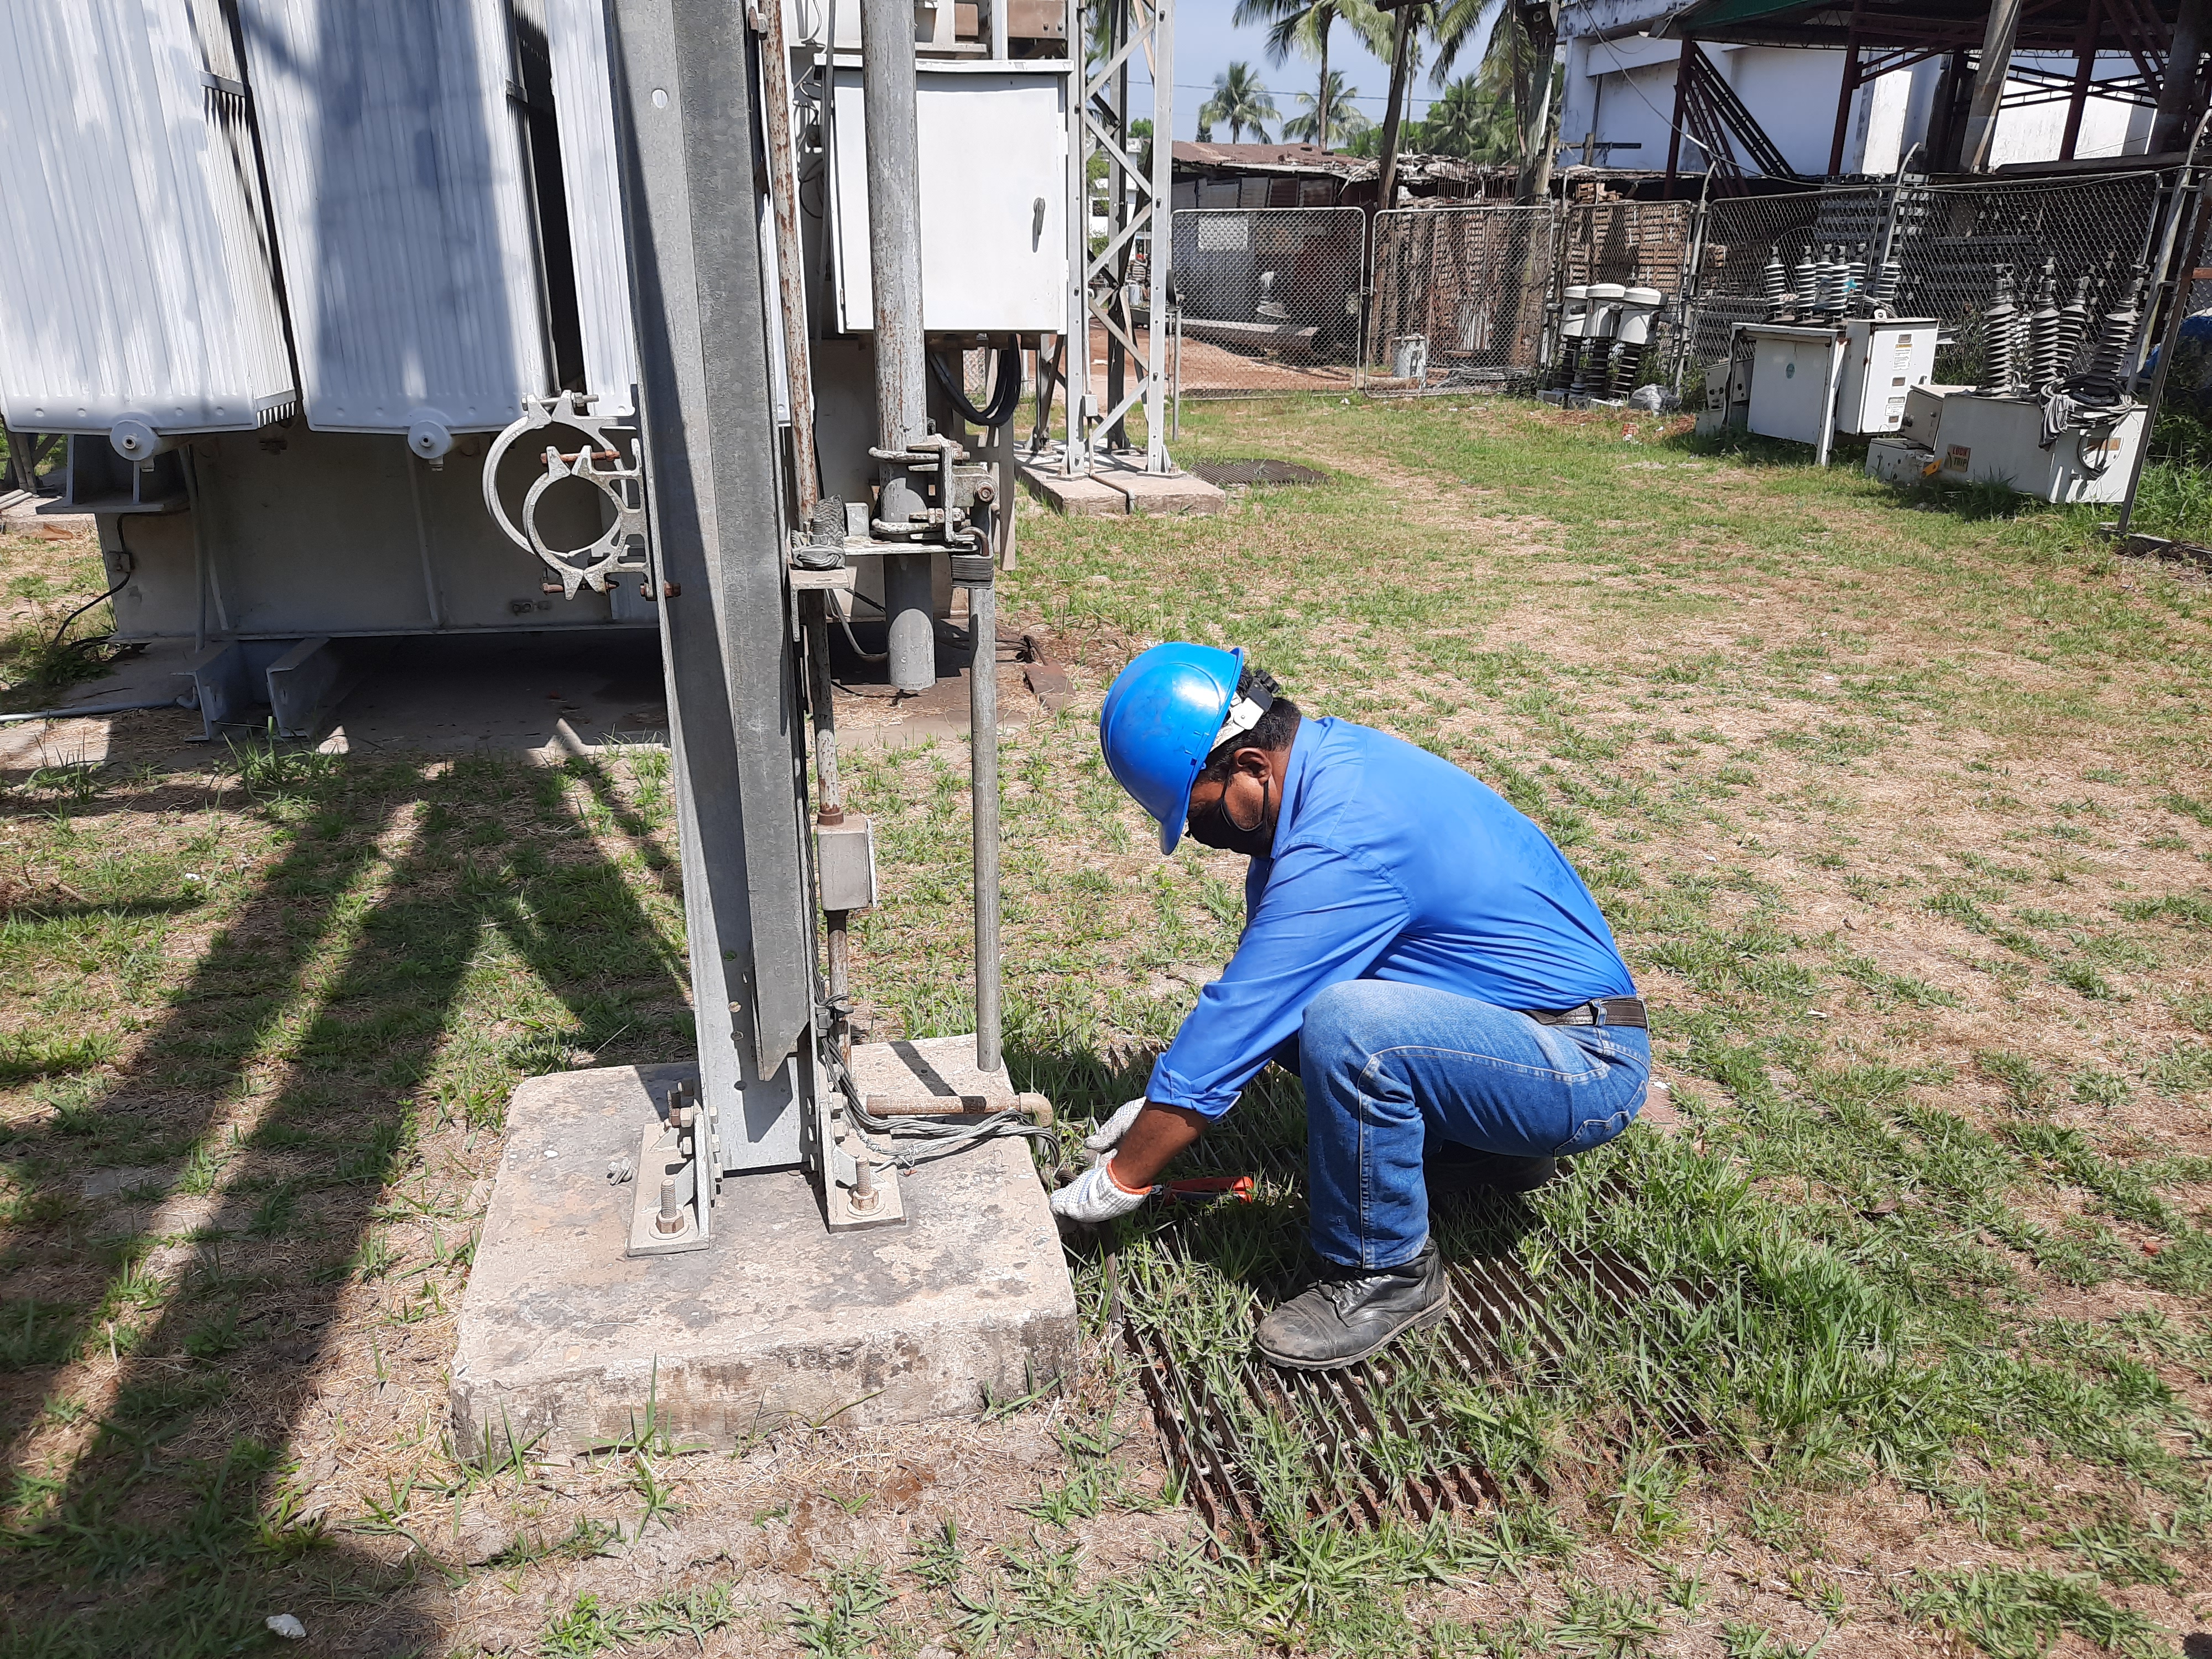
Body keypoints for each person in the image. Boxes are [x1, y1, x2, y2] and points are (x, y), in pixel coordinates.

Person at [1049, 644, 1650, 1370]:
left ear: (1247, 769)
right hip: (1529, 1030)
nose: (1207, 839)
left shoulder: (1343, 838)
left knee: (1347, 1028)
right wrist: (1167, 1095)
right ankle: (1493, 1154)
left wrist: (1121, 1180)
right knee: (1301, 1013)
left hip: (1583, 1064)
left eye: (1202, 818)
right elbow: (1260, 998)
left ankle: (1384, 1273)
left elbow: (1249, 1010)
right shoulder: (1329, 770)